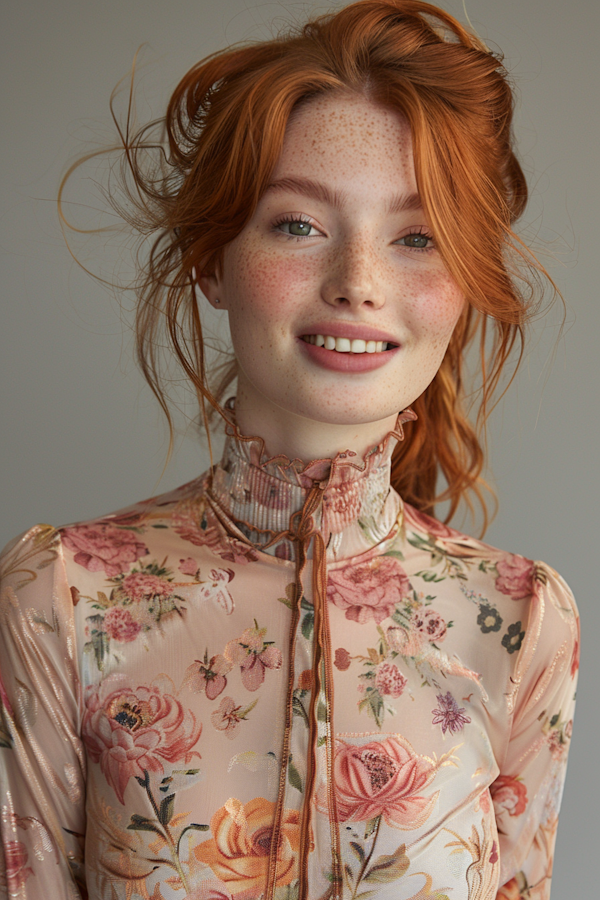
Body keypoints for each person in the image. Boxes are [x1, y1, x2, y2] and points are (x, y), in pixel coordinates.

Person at [0, 1, 579, 898]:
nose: (358, 282)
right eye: (299, 225)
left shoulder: (519, 620)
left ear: (466, 280)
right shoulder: (63, 596)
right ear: (211, 258)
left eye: (417, 237)